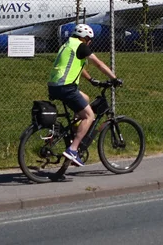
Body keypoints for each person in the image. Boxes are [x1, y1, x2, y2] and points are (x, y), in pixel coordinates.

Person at [47, 23, 122, 166]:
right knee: (89, 115)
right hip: (66, 87)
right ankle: (73, 149)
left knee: (85, 99)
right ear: (86, 38)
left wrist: (91, 80)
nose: (90, 43)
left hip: (54, 85)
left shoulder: (67, 45)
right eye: (89, 40)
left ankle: (75, 133)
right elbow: (98, 63)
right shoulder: (81, 46)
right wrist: (114, 78)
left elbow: (77, 66)